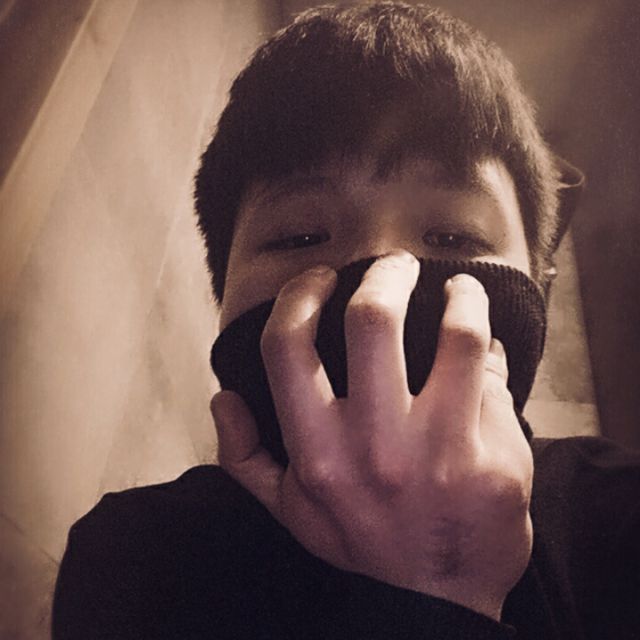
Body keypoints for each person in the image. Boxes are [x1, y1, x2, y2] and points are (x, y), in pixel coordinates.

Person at [52, 3, 640, 638]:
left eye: (452, 236)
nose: (376, 296)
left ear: (537, 288)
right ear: (220, 293)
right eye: (300, 238)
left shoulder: (621, 516)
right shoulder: (133, 557)